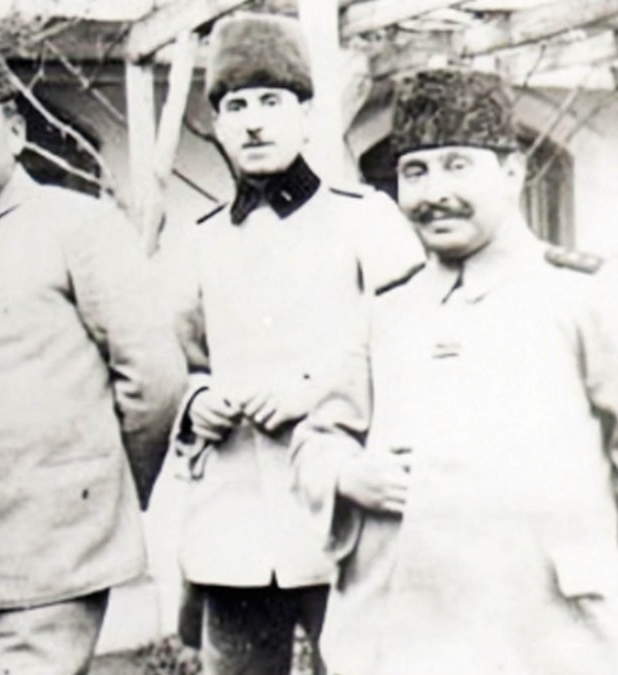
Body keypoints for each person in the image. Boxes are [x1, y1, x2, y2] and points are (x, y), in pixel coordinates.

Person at [291, 67, 618, 674]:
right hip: (397, 632)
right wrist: (348, 474)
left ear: (513, 172)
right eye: (415, 171)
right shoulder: (385, 310)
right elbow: (318, 438)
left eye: (457, 165)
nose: (433, 191)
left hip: (543, 632)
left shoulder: (583, 297)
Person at [0, 41, 186, 674]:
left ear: (18, 132)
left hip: (53, 546)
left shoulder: (79, 225)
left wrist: (99, 488)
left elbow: (155, 380)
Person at [156, 13, 424, 675]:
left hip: (344, 510)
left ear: (306, 115)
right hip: (234, 520)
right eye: (236, 106)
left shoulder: (366, 219)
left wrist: (313, 389)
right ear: (217, 124)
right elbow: (173, 360)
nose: (253, 123)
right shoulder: (197, 240)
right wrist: (195, 402)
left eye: (272, 102)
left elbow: (413, 344)